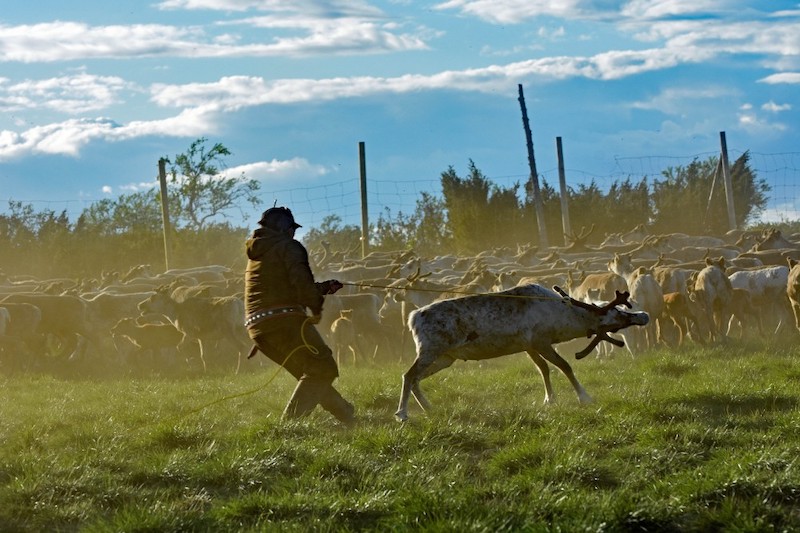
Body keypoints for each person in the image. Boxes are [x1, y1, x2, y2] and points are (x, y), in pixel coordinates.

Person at [244, 206, 356, 426]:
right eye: (291, 229)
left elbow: (283, 286)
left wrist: (323, 288)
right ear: (285, 229)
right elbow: (302, 286)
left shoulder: (258, 253)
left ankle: (345, 413)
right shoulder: (289, 247)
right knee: (323, 368)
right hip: (284, 322)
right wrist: (315, 309)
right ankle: (288, 426)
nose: (294, 234)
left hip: (258, 328)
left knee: (309, 373)